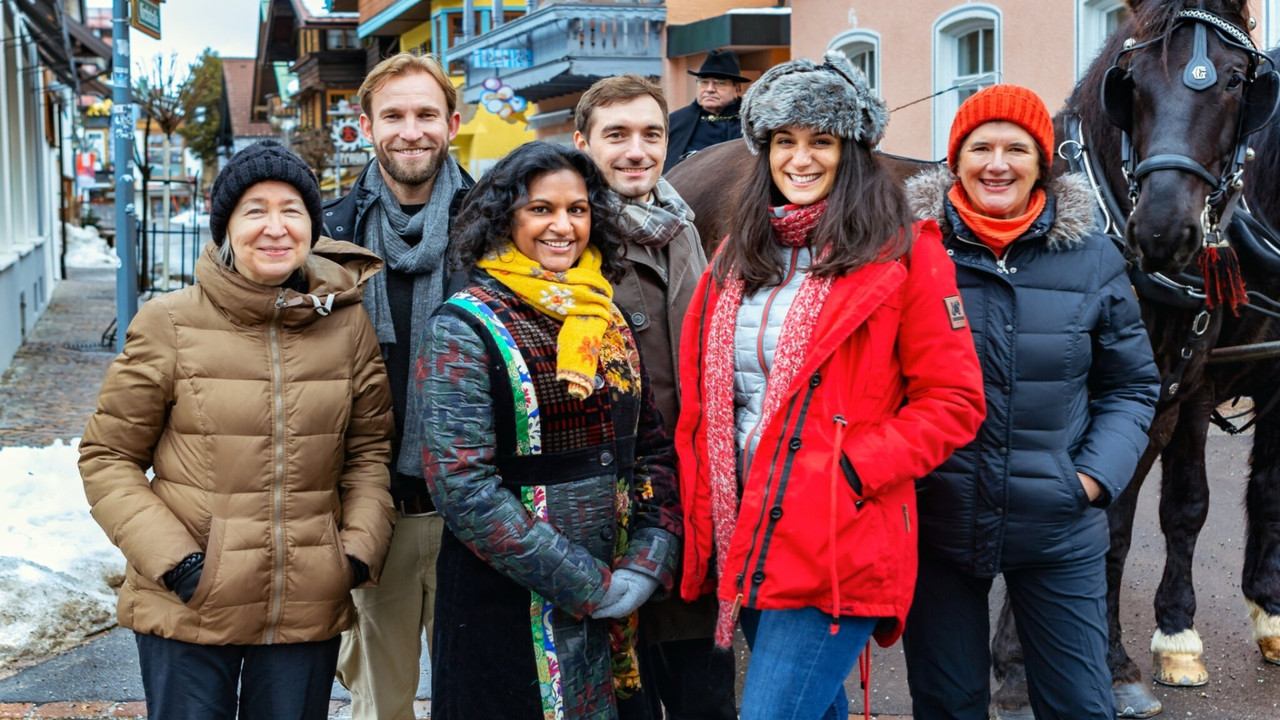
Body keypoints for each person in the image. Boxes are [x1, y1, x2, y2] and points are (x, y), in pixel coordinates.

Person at [676, 51, 987, 720]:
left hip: (836, 536)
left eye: (821, 140)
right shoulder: (737, 255)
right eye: (784, 141)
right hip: (746, 527)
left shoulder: (905, 252)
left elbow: (955, 401)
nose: (801, 157)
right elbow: (712, 398)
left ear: (852, 148)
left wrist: (849, 469)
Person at [78, 140, 395, 719]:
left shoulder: (347, 325)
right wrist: (179, 564)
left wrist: (350, 554)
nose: (274, 227)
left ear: (311, 225)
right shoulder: (169, 322)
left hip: (305, 603)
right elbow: (107, 457)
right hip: (189, 605)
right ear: (226, 227)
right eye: (255, 210)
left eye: (291, 210)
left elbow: (369, 453)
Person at [901, 84, 1161, 720]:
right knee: (947, 704)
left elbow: (1131, 385)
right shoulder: (910, 252)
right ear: (954, 161)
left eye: (1016, 148)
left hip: (1057, 524)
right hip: (936, 521)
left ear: (1041, 162)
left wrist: (1092, 480)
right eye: (979, 147)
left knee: (1078, 703)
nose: (997, 163)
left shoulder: (1093, 258)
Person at [419, 141, 682, 719]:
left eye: (579, 209)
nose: (563, 226)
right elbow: (462, 487)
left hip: (619, 598)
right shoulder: (465, 323)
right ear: (504, 217)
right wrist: (586, 584)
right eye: (541, 209)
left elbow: (650, 449)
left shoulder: (604, 315)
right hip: (506, 606)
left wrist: (647, 558)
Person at [574, 75, 734, 720]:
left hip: (695, 512)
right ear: (583, 143)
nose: (636, 151)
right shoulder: (568, 242)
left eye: (650, 134)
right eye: (616, 136)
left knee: (707, 701)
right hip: (614, 523)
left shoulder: (683, 228)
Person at [323, 52, 474, 720]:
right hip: (374, 508)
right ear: (365, 126)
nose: (410, 130)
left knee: (475, 699)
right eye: (393, 115)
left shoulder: (499, 231)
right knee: (378, 704)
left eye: (425, 114)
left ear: (453, 122)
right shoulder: (328, 236)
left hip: (474, 510)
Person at [664, 49, 749, 173]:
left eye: (719, 83)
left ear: (736, 89)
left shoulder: (753, 123)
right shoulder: (674, 122)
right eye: (703, 82)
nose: (709, 89)